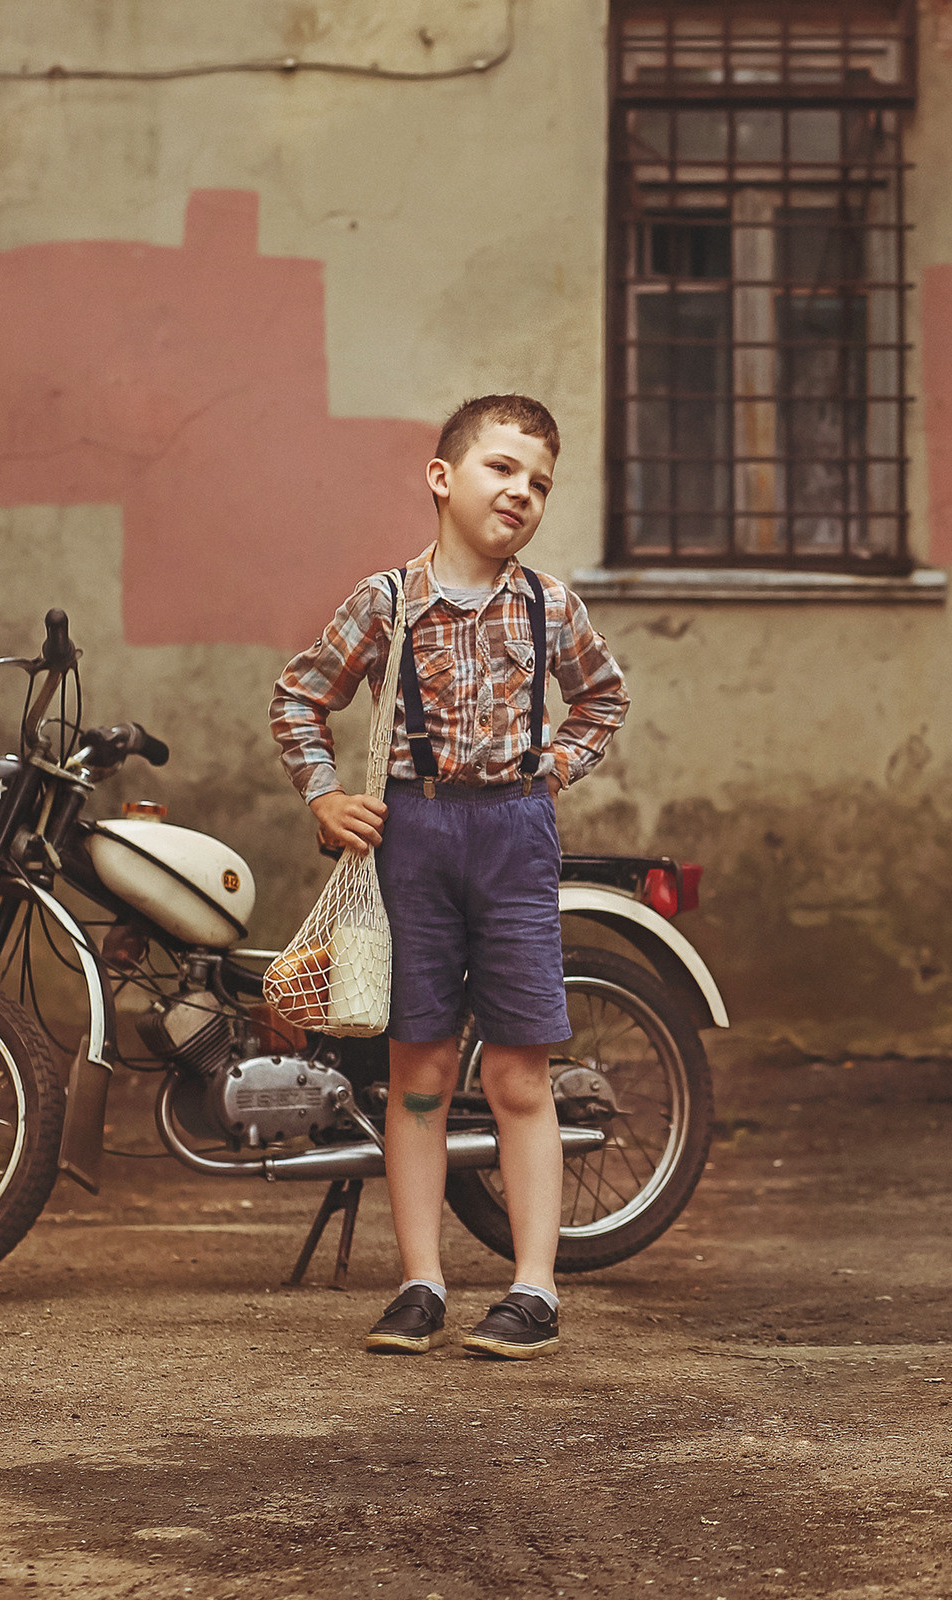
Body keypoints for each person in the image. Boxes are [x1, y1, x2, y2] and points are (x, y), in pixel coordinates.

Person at [271, 394, 628, 1358]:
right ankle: (421, 1282)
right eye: (502, 468)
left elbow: (603, 697)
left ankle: (534, 1289)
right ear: (442, 477)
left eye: (540, 482)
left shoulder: (551, 604)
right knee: (418, 1071)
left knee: (518, 1070)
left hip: (514, 838)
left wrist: (553, 768)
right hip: (411, 836)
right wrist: (323, 797)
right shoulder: (385, 601)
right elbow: (300, 695)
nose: (522, 492)